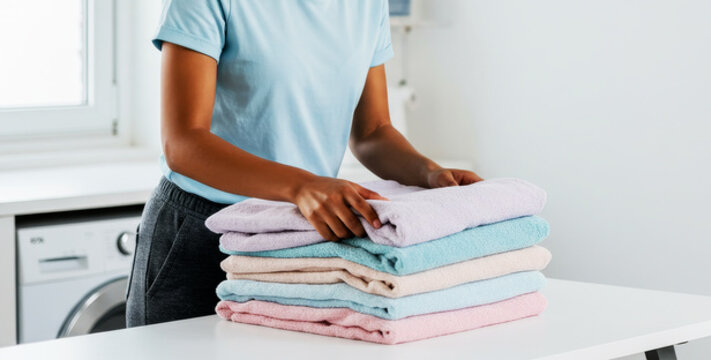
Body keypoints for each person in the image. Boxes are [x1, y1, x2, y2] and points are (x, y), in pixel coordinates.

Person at [125, 0, 481, 327]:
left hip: (296, 239)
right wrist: (301, 186)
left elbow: (373, 132)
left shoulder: (368, 6)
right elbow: (183, 143)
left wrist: (429, 173)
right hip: (200, 234)